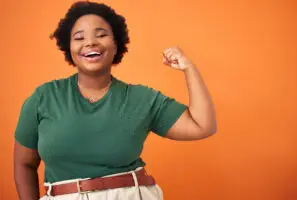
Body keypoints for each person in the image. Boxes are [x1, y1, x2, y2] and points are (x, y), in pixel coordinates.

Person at [13, 1, 217, 200]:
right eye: (79, 37)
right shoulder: (44, 97)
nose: (90, 42)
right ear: (69, 47)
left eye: (101, 35)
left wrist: (189, 69)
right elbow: (24, 164)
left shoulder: (142, 99)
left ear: (116, 44)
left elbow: (202, 126)